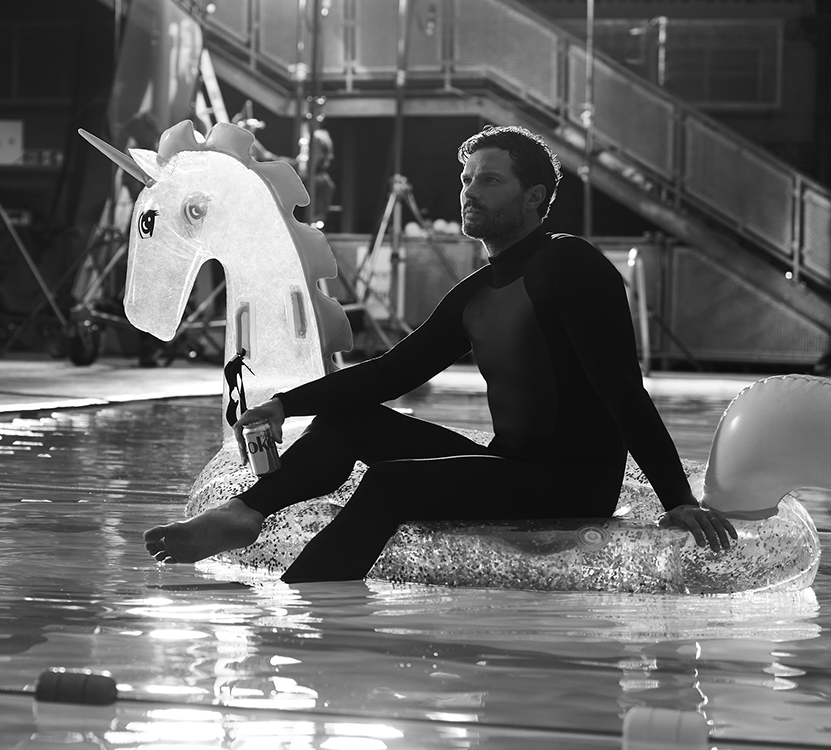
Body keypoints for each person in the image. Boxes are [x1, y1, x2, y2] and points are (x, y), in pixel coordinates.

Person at [142, 125, 736, 583]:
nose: (471, 192)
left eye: (490, 181)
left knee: (392, 484)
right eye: (468, 180)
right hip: (511, 465)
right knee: (350, 423)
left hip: (572, 483)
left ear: (534, 198)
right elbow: (395, 372)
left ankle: (302, 609)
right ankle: (248, 512)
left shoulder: (570, 266)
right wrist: (285, 405)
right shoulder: (477, 293)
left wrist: (678, 501)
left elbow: (621, 392)